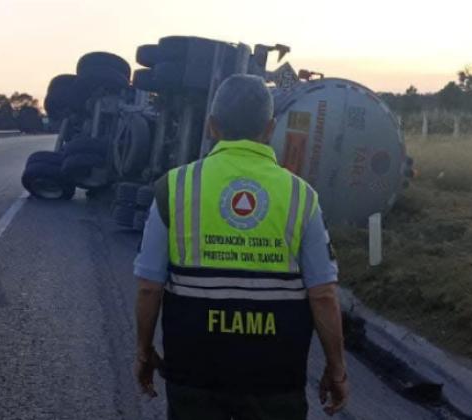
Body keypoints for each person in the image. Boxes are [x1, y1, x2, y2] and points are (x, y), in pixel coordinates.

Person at [133, 74, 348, 420]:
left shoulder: (173, 187)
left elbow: (148, 287)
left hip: (193, 374)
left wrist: (144, 351)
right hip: (275, 379)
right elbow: (323, 294)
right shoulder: (301, 196)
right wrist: (336, 369)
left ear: (211, 127)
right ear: (270, 128)